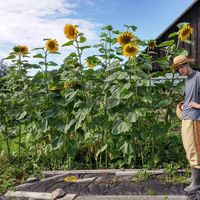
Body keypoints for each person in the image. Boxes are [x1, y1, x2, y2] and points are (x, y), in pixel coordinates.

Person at [172, 54, 200, 193]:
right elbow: (189, 98)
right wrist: (183, 105)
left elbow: (195, 102)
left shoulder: (198, 77)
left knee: (195, 150)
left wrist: (198, 105)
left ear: (187, 65)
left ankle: (197, 183)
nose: (180, 71)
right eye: (177, 69)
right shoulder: (188, 80)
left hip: (195, 119)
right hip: (186, 118)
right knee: (189, 149)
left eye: (181, 67)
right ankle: (195, 177)